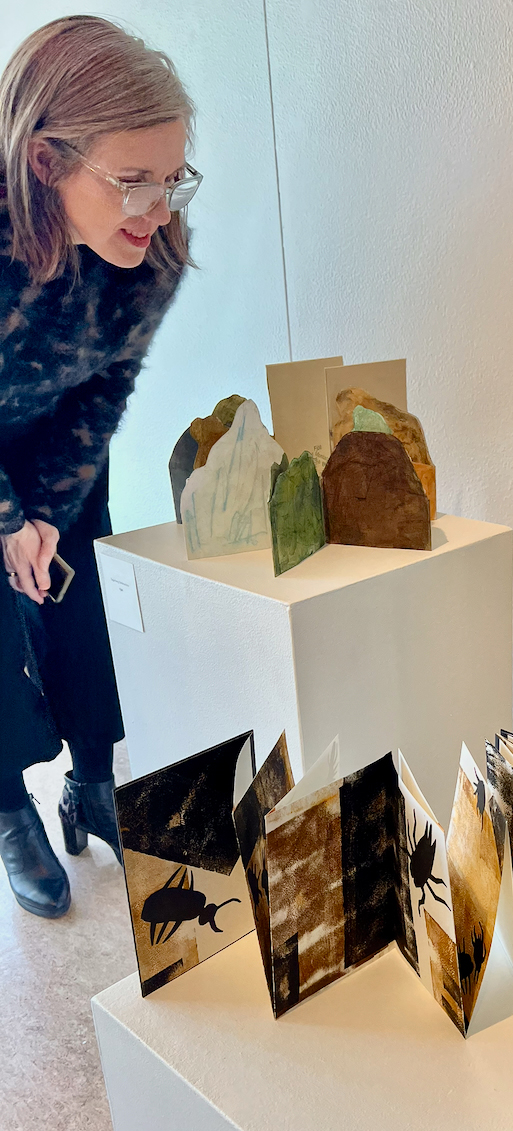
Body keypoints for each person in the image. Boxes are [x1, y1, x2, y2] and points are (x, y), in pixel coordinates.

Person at [0, 17, 199, 918]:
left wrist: (46, 508)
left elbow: (108, 382)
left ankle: (93, 782)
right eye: (134, 181)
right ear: (46, 162)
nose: (160, 210)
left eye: (174, 177)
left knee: (81, 605)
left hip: (58, 444)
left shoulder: (153, 246)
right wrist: (8, 520)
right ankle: (12, 809)